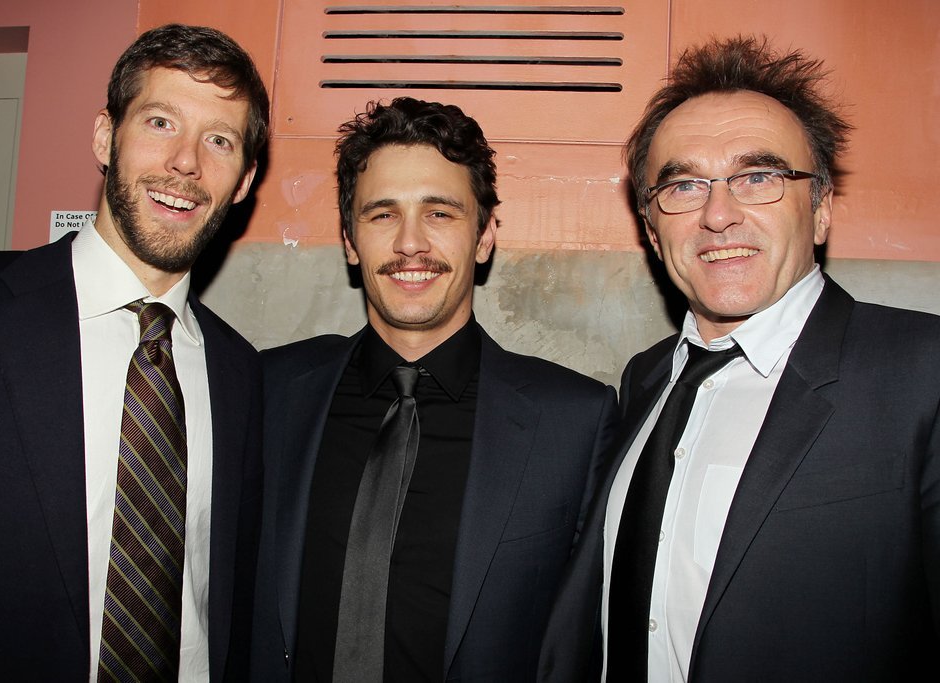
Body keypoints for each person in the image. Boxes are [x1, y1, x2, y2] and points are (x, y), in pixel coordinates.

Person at [538, 35, 940, 682]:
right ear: (651, 229)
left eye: (758, 178)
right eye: (685, 185)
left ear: (821, 209)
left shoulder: (922, 373)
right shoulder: (646, 377)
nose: (718, 214)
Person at [0, 24, 267, 681]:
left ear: (243, 181)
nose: (186, 162)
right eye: (161, 122)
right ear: (106, 137)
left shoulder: (242, 373)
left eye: (219, 140)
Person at [249, 97, 618, 682]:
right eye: (382, 215)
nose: (410, 244)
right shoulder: (268, 391)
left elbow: (579, 644)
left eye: (440, 213)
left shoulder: (574, 422)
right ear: (350, 240)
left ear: (485, 236)